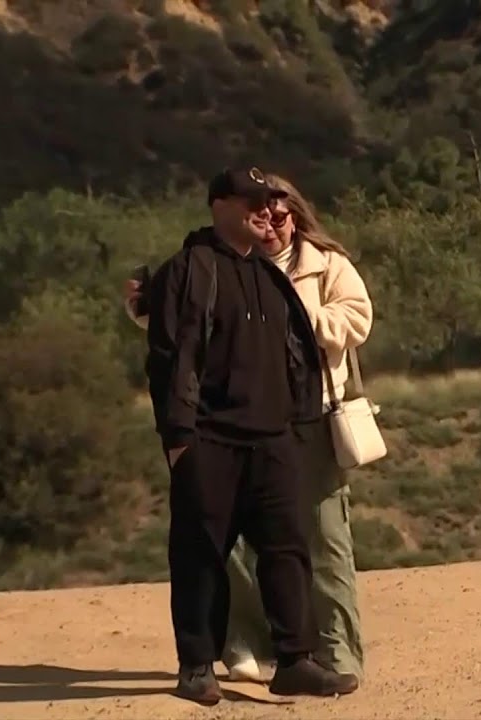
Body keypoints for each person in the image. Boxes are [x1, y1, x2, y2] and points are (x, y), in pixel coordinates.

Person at [127, 172, 372, 687]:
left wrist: (296, 420)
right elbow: (172, 355)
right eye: (254, 204)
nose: (266, 213)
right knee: (204, 553)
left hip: (277, 437)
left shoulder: (273, 275)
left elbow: (301, 350)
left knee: (289, 549)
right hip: (209, 438)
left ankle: (295, 661)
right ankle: (197, 666)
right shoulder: (190, 268)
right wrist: (177, 440)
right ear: (221, 206)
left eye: (273, 205)